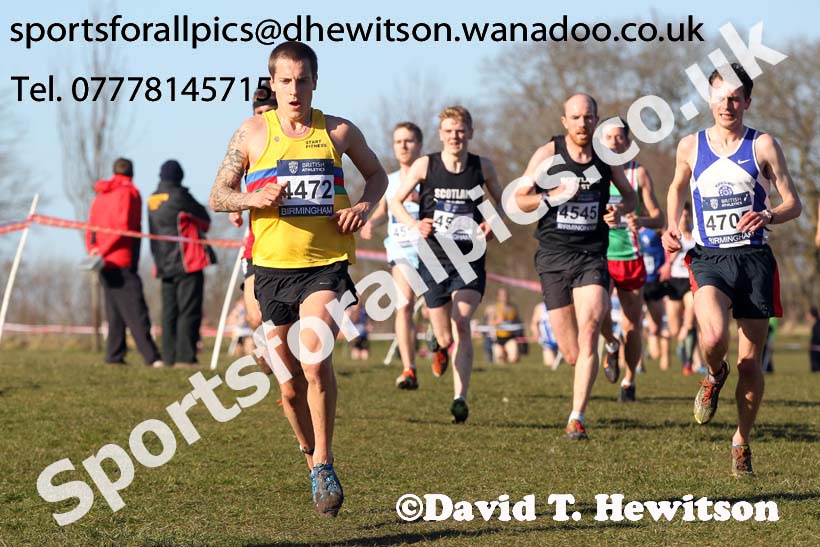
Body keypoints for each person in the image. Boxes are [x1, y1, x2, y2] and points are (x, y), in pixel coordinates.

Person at [208, 42, 387, 516]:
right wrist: (253, 199)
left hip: (325, 266)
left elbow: (377, 175)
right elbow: (218, 195)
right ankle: (313, 465)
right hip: (270, 272)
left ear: (314, 81)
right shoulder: (250, 132)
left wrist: (364, 206)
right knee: (288, 385)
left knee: (314, 359)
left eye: (302, 79)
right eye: (284, 81)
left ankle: (326, 462)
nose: (293, 89)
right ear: (272, 84)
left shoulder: (340, 131)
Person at [662, 63, 802, 476]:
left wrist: (769, 215)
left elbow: (793, 202)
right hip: (709, 258)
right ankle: (711, 373)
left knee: (750, 365)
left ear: (748, 102)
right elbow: (675, 186)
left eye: (736, 97)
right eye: (721, 96)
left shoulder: (764, 146)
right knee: (712, 335)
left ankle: (742, 438)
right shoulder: (690, 146)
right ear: (710, 100)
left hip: (755, 260)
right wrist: (673, 225)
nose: (729, 104)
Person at [514, 93, 637, 440]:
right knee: (571, 354)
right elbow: (520, 200)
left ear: (596, 121)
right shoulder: (548, 155)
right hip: (553, 255)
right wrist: (550, 196)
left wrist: (620, 209)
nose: (583, 123)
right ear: (565, 121)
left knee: (589, 330)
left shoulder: (605, 158)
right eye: (576, 117)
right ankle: (611, 345)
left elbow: (630, 195)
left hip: (591, 256)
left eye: (589, 117)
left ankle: (576, 417)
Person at [389, 106, 503, 424]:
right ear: (441, 135)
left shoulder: (483, 167)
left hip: (469, 258)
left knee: (462, 323)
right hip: (433, 258)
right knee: (445, 334)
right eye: (449, 131)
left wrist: (492, 224)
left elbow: (503, 204)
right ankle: (439, 344)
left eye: (460, 130)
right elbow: (395, 202)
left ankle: (459, 398)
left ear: (470, 132)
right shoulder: (426, 165)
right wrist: (414, 225)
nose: (455, 136)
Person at [598, 120, 664, 402]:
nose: (614, 143)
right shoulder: (592, 174)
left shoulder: (639, 174)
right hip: (597, 255)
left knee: (631, 324)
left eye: (619, 137)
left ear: (627, 142)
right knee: (596, 314)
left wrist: (642, 220)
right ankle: (611, 344)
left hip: (629, 256)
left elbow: (660, 219)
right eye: (608, 138)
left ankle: (629, 379)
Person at [361, 121, 424, 389]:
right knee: (405, 303)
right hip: (400, 248)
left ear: (419, 145)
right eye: (398, 141)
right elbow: (383, 210)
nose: (403, 146)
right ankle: (408, 368)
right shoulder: (391, 180)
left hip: (432, 250)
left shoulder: (428, 176)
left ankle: (439, 341)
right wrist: (369, 222)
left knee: (435, 309)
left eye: (408, 140)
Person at [85, 158, 163, 368]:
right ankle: (152, 357)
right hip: (120, 259)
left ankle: (114, 354)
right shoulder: (130, 193)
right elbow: (124, 227)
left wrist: (94, 251)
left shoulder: (100, 195)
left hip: (102, 261)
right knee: (136, 310)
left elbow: (90, 227)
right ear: (132, 173)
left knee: (116, 310)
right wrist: (104, 251)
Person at [227, 83, 278, 374]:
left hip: (293, 242)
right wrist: (235, 207)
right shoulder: (249, 139)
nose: (263, 117)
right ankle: (272, 354)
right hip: (257, 240)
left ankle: (288, 366)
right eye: (258, 112)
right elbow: (229, 182)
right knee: (255, 315)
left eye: (268, 111)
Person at [148, 160, 216, 367]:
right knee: (189, 310)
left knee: (169, 312)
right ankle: (185, 357)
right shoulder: (180, 196)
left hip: (162, 263)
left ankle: (168, 357)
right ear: (180, 176)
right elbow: (205, 220)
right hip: (188, 261)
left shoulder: (151, 199)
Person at [659, 202, 700, 375]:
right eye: (681, 215)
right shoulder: (673, 232)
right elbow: (667, 250)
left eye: (686, 215)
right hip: (675, 282)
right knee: (675, 329)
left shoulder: (696, 232)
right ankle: (682, 345)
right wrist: (668, 263)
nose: (684, 218)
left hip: (691, 280)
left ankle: (689, 360)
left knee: (690, 317)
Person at [639, 227, 669, 370]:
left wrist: (667, 264)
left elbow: (670, 234)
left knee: (656, 325)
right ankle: (638, 362)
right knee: (634, 323)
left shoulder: (655, 231)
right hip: (636, 282)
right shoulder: (625, 231)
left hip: (654, 281)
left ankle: (661, 353)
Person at [486, 287, 523, 364]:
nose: (504, 297)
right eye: (502, 295)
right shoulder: (493, 308)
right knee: (500, 360)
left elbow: (518, 322)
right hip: (497, 339)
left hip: (510, 338)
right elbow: (489, 324)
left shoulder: (513, 308)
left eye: (506, 295)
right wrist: (498, 322)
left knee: (513, 358)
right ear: (498, 296)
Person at [530, 301, 559, 369]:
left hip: (561, 340)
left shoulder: (561, 305)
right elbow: (534, 323)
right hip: (547, 341)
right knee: (550, 364)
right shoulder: (540, 307)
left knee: (570, 360)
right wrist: (536, 334)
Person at [809, 307, 820, 372]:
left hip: (817, 351)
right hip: (815, 349)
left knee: (816, 369)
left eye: (808, 314)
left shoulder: (817, 325)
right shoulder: (816, 323)